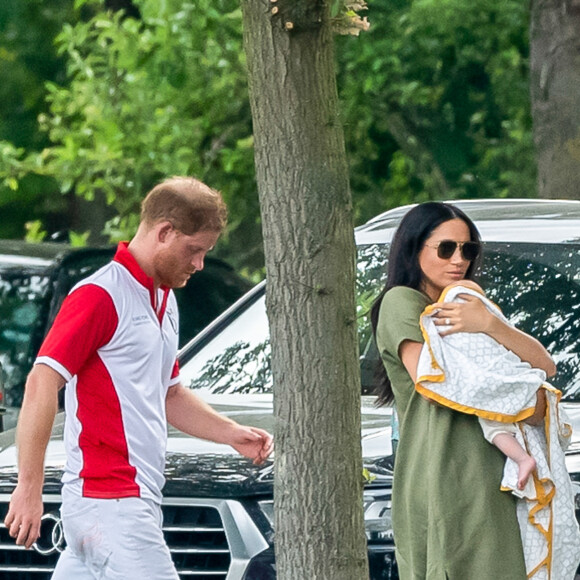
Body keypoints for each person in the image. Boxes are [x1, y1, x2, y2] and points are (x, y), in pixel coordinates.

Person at [4, 176, 274, 580]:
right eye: (194, 250)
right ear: (164, 232)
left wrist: (230, 433)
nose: (199, 264)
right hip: (112, 505)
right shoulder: (100, 295)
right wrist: (29, 489)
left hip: (114, 506)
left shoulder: (165, 301)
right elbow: (41, 381)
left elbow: (168, 395)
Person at [370, 201, 556, 579]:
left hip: (500, 475)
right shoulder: (402, 302)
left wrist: (489, 323)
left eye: (468, 249)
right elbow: (445, 380)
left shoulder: (469, 306)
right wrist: (535, 400)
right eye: (445, 248)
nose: (459, 260)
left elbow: (545, 367)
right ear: (412, 248)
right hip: (445, 476)